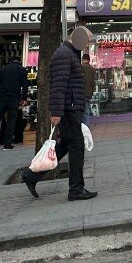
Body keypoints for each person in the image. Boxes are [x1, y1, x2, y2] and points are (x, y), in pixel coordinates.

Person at [22, 26, 97, 201]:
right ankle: (76, 190)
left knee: (66, 145)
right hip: (69, 109)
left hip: (72, 107)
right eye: (87, 40)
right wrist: (56, 112)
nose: (87, 44)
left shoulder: (70, 54)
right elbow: (58, 85)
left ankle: (31, 175)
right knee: (77, 147)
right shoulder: (64, 54)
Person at [0, 56, 28, 151]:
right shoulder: (22, 70)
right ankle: (7, 144)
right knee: (11, 122)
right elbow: (25, 86)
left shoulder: (2, 70)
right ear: (19, 61)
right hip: (14, 98)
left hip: (2, 98)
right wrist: (24, 98)